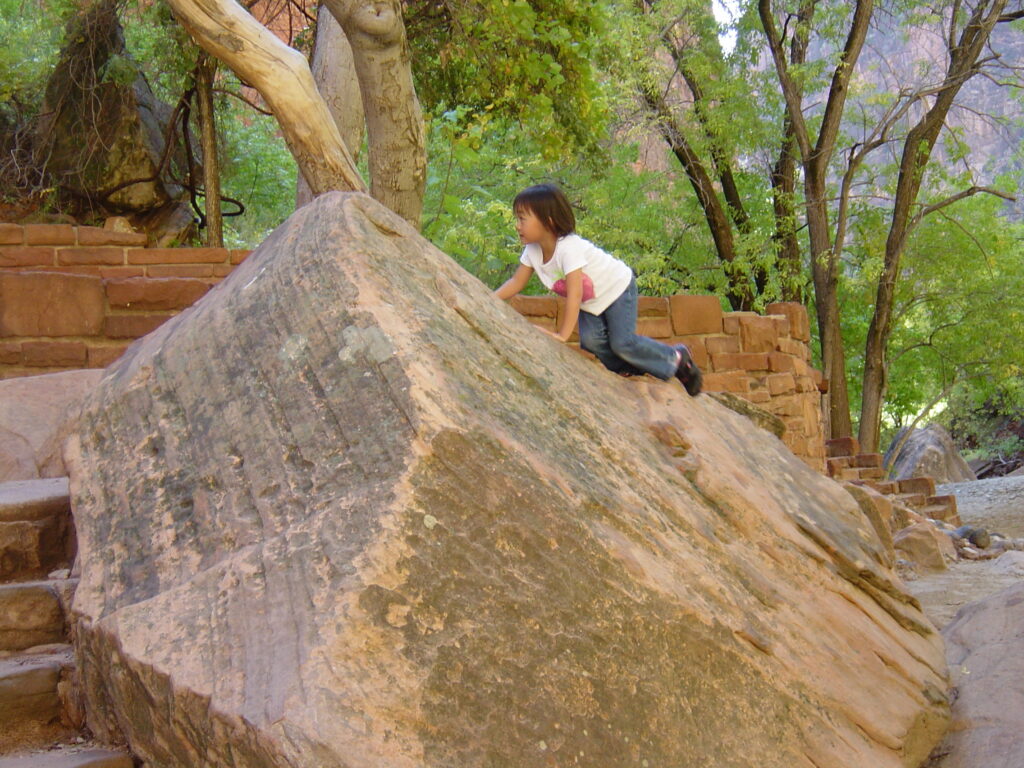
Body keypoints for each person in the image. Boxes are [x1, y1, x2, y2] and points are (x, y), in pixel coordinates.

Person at [494, 183, 702, 396]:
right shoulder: (533, 250)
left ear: (548, 221)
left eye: (522, 218)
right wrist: (488, 299)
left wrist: (562, 335)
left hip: (616, 288)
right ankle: (630, 369)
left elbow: (574, 294)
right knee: (592, 342)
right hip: (591, 301)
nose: (517, 225)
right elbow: (516, 282)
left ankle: (676, 358)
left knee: (622, 343)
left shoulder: (568, 248)